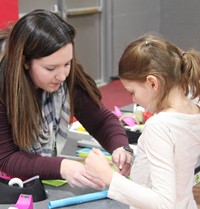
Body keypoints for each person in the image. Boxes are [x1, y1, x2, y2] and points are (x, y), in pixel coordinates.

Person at [0, 9, 133, 189]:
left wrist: (120, 147)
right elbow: (7, 158)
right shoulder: (4, 86)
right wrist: (62, 166)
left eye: (67, 64)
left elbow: (100, 120)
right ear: (25, 62)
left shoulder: (66, 76)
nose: (62, 76)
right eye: (50, 68)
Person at [85, 34, 200, 208]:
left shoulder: (159, 126)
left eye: (132, 92)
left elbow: (163, 203)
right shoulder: (193, 111)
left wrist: (107, 175)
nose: (133, 100)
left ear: (153, 83)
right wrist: (141, 164)